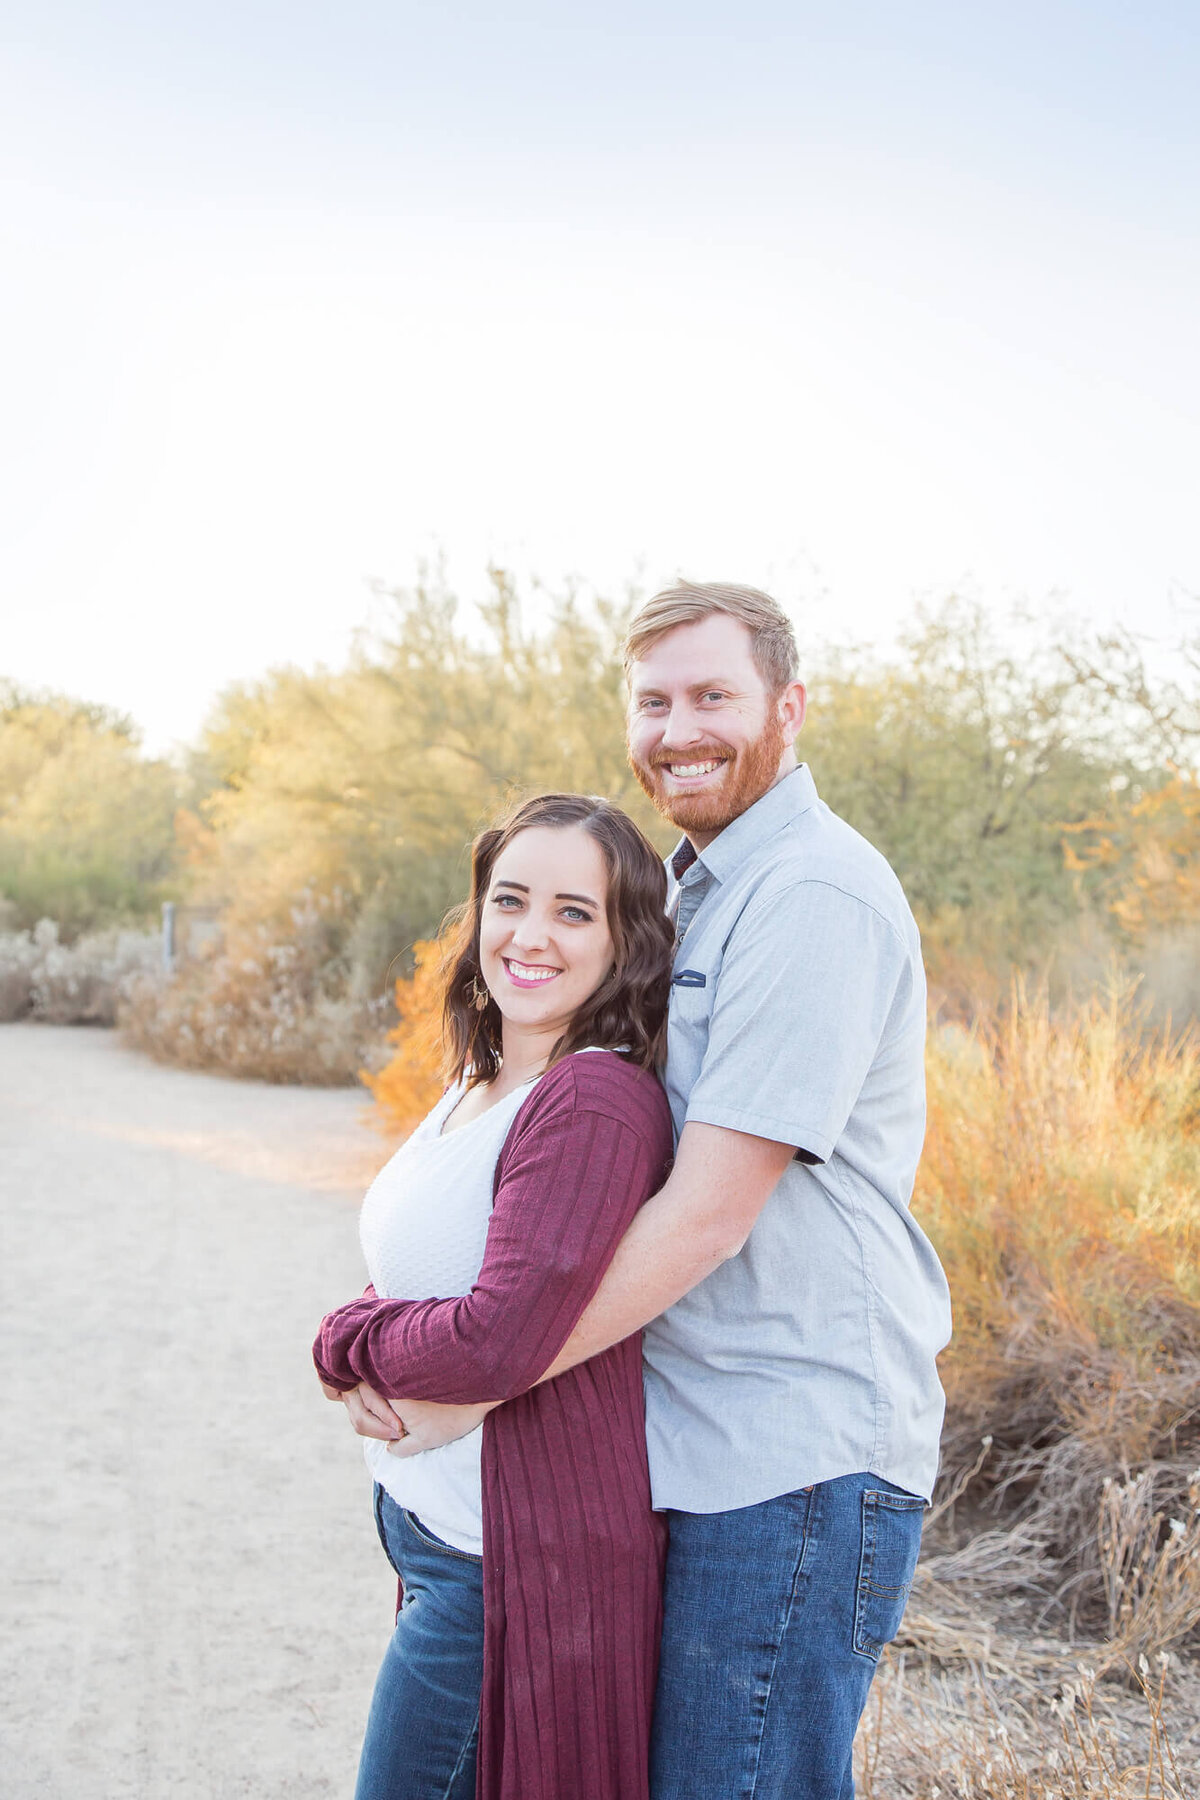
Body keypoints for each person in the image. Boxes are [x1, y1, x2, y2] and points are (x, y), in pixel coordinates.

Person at [347, 581, 954, 1800]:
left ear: (789, 708)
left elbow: (712, 1213)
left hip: (792, 1454)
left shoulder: (811, 895)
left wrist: (481, 1380)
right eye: (655, 702)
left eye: (713, 696)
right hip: (689, 1442)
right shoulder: (688, 893)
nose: (680, 730)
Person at [312, 792, 674, 1800]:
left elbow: (495, 1340)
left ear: (625, 940)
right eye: (510, 900)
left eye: (574, 911)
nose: (531, 935)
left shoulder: (594, 1098)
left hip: (504, 1573)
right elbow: (426, 1280)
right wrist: (369, 1351)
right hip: (442, 1540)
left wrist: (344, 1340)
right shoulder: (481, 1078)